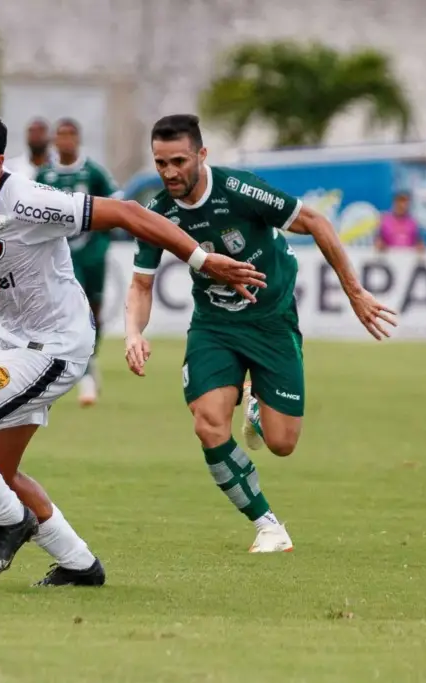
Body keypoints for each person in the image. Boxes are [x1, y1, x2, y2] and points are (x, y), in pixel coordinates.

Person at [0, 109, 265, 586]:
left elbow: (130, 213)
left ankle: (11, 523)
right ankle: (80, 565)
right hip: (8, 341)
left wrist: (200, 258)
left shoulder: (29, 199)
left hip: (55, 346)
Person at [125, 114, 397, 553]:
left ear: (201, 155)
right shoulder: (159, 212)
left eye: (178, 160)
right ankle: (268, 525)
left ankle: (255, 404)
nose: (170, 172)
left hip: (272, 322)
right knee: (208, 423)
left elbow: (317, 223)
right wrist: (133, 332)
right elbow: (141, 284)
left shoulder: (239, 190)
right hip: (214, 325)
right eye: (160, 163)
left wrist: (355, 292)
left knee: (282, 444)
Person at [35, 119, 120, 406]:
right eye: (61, 136)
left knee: (95, 309)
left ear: (78, 140)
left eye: (71, 135)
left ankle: (90, 360)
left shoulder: (93, 171)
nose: (66, 141)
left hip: (93, 251)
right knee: (76, 310)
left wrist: (105, 236)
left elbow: (116, 204)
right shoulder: (45, 175)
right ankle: (82, 374)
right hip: (64, 256)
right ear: (55, 141)